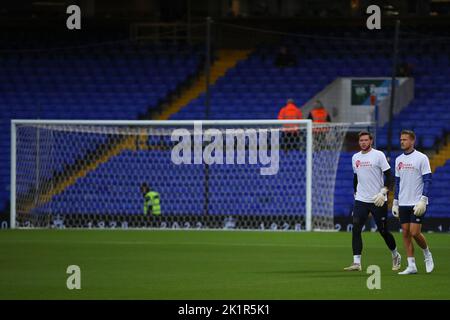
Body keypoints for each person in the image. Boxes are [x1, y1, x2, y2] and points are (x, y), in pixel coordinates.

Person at [344, 131, 401, 271]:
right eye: (361, 140)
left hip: (378, 199)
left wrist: (384, 192)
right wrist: (355, 192)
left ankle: (395, 255)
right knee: (356, 228)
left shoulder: (378, 155)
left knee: (383, 231)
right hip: (361, 199)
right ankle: (356, 262)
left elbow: (389, 176)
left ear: (371, 141)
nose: (363, 142)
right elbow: (356, 177)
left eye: (365, 140)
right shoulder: (355, 157)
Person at [393, 130, 434, 275]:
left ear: (412, 141)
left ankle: (427, 254)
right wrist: (395, 202)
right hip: (403, 202)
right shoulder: (398, 160)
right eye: (401, 139)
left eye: (405, 139)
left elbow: (427, 180)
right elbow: (397, 183)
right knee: (405, 233)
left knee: (415, 232)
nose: (402, 142)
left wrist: (423, 200)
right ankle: (411, 265)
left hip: (417, 202)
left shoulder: (421, 158)